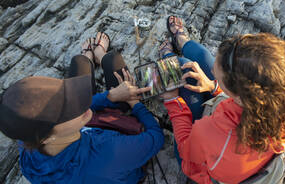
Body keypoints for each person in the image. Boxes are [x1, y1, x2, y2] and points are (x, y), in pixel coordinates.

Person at [159, 16, 285, 184]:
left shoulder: (210, 133)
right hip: (238, 143)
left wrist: (173, 99)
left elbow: (186, 149)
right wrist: (214, 87)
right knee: (202, 59)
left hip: (206, 161)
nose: (212, 71)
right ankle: (181, 40)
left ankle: (168, 54)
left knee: (181, 66)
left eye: (216, 73)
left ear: (238, 96)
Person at [0, 32, 164, 184]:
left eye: (66, 93)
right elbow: (156, 137)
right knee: (113, 60)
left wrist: (110, 96)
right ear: (46, 138)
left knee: (79, 62)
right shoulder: (109, 152)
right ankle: (99, 55)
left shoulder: (29, 142)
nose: (82, 102)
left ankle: (88, 56)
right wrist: (134, 103)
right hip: (114, 152)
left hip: (84, 132)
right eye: (68, 109)